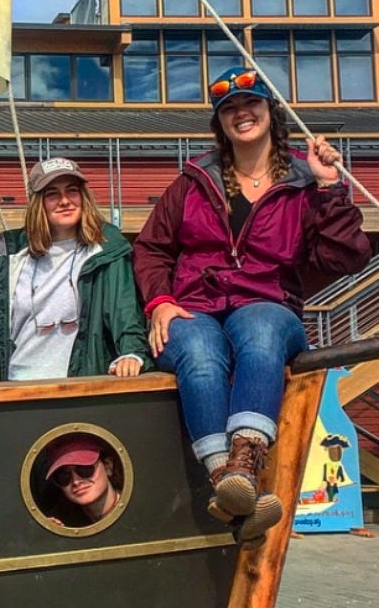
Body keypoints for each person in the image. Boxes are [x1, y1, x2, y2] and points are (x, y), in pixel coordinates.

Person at [134, 68, 370, 543]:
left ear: (270, 113)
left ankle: (244, 458)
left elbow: (346, 255)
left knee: (261, 331)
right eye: (229, 109)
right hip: (193, 304)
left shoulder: (304, 185)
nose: (241, 114)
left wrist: (329, 188)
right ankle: (230, 485)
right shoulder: (192, 182)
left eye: (251, 105)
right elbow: (151, 248)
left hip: (268, 300)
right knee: (198, 352)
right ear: (219, 123)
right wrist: (159, 301)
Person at [0, 157, 150, 381]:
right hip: (17, 384)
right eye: (52, 194)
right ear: (38, 203)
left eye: (72, 191)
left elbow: (124, 311)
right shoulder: (8, 251)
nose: (64, 201)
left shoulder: (107, 249)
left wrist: (133, 353)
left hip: (80, 384)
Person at [39, 434, 123, 528]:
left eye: (84, 469)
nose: (76, 481)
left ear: (108, 466)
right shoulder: (64, 524)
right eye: (64, 476)